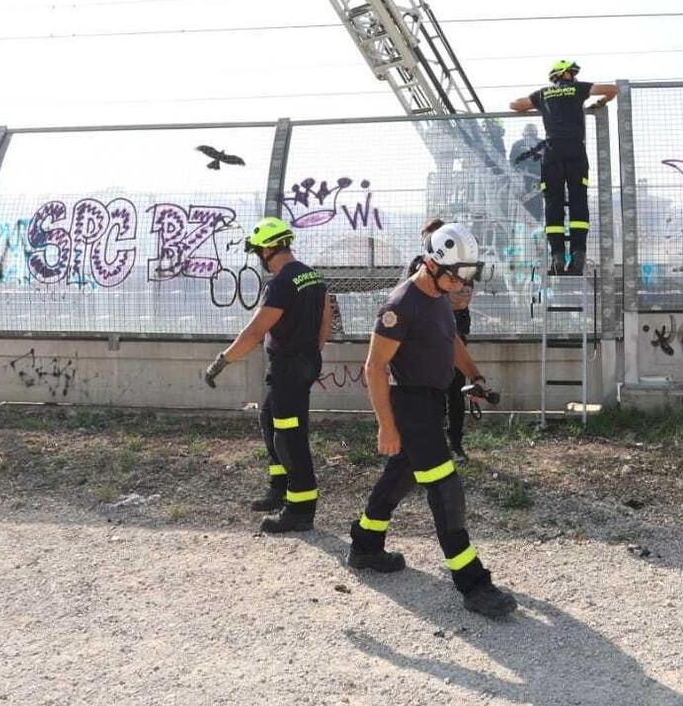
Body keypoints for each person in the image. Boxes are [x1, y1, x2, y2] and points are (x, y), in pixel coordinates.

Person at [349, 222, 517, 619]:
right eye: (455, 277)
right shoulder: (400, 305)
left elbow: (451, 340)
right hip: (411, 406)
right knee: (445, 490)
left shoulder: (439, 294)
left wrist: (475, 376)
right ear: (432, 264)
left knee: (402, 474)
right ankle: (474, 584)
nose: (461, 286)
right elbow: (374, 368)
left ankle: (365, 543)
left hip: (431, 401)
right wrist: (387, 426)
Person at [202, 217, 331, 532]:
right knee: (268, 417)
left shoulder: (283, 283)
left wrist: (222, 360)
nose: (260, 258)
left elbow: (255, 331)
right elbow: (327, 318)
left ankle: (300, 508)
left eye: (260, 251)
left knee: (290, 438)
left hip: (289, 367)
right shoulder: (312, 276)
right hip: (305, 361)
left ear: (270, 248)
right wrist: (312, 351)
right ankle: (279, 487)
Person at [509, 60, 618, 275]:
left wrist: (536, 106)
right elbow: (613, 89)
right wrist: (602, 102)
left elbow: (514, 105)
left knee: (553, 203)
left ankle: (557, 256)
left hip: (552, 153)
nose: (575, 76)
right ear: (567, 74)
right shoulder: (578, 88)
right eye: (573, 73)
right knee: (578, 200)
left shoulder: (544, 94)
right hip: (576, 152)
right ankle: (578, 255)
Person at [407, 218, 490, 463]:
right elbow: (414, 295)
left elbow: (463, 298)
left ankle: (455, 444)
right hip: (425, 340)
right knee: (430, 394)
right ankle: (432, 444)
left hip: (454, 334)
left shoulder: (460, 265)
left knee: (456, 391)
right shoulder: (417, 265)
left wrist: (443, 297)